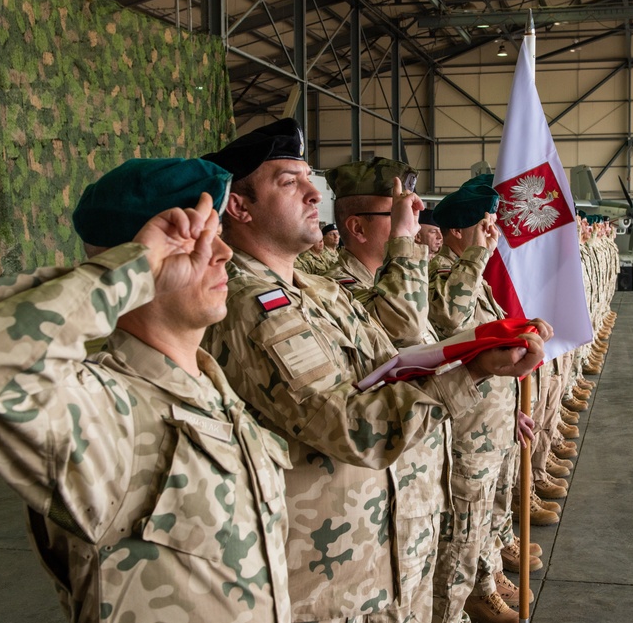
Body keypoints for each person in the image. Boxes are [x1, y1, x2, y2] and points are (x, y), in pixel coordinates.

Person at [202, 119, 546, 623]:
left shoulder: (315, 291)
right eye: (287, 181)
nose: (311, 193)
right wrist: (470, 373)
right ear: (239, 206)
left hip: (381, 545)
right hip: (330, 572)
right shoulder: (253, 304)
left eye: (308, 178)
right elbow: (353, 425)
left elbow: (399, 360)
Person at [0, 158, 292, 623]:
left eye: (219, 233)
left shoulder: (214, 391)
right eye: (197, 240)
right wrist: (136, 270)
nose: (222, 253)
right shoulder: (107, 407)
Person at [323, 156, 449, 622]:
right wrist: (403, 239)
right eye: (397, 213)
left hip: (414, 495)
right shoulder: (334, 289)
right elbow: (404, 330)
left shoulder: (400, 276)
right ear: (356, 227)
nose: (414, 223)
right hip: (368, 517)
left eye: (412, 212)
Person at [427, 176, 546, 623]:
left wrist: (512, 409)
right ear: (457, 231)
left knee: (489, 514)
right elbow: (451, 322)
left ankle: (485, 580)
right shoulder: (444, 275)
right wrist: (477, 257)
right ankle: (463, 601)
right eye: (485, 225)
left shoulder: (474, 278)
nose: (493, 234)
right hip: (467, 427)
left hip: (492, 421)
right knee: (464, 526)